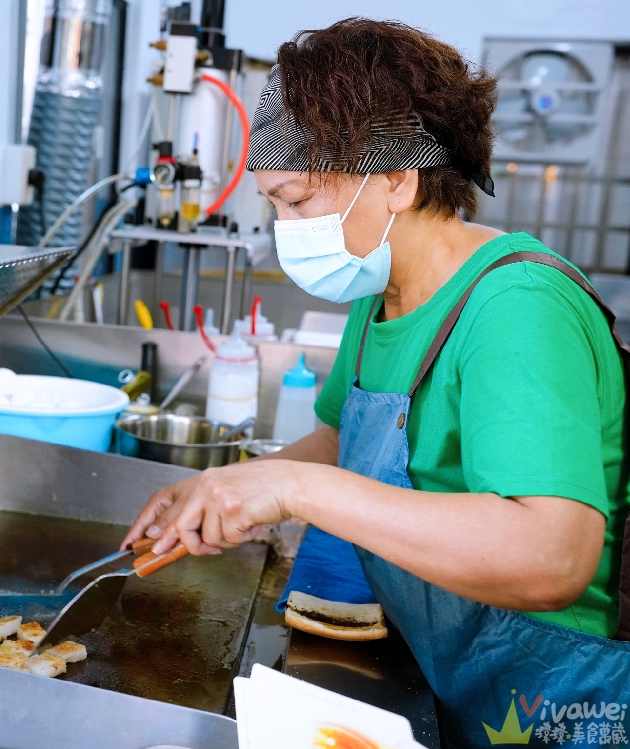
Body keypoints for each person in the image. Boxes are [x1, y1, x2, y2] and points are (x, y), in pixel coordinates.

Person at [122, 18, 630, 747]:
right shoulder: (381, 288)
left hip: (560, 706)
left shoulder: (517, 310)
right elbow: (343, 437)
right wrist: (229, 486)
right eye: (275, 207)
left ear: (396, 178)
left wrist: (294, 492)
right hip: (455, 682)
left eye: (298, 202)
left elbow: (554, 555)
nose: (284, 228)